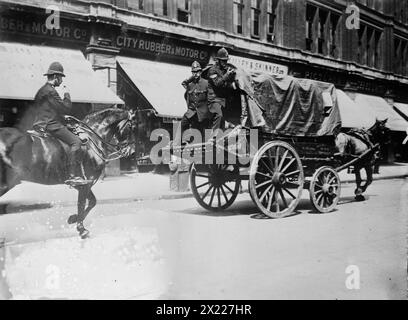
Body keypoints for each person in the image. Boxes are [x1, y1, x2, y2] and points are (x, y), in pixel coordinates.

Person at [32, 62, 87, 186]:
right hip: (50, 125)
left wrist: (62, 118)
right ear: (56, 77)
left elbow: (48, 109)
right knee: (76, 142)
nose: (61, 81)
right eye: (61, 78)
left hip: (42, 123)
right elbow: (66, 107)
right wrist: (66, 94)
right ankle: (73, 176)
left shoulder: (42, 90)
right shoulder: (51, 91)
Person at [174, 61, 210, 145]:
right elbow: (183, 83)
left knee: (200, 131)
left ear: (200, 72)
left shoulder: (206, 83)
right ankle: (181, 142)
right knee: (183, 123)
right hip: (192, 111)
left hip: (202, 112)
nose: (196, 74)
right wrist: (192, 77)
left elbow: (210, 98)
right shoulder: (190, 85)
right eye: (194, 72)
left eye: (197, 71)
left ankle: (200, 144)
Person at [207, 47, 237, 133]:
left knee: (224, 120)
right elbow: (217, 83)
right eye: (223, 61)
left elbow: (226, 85)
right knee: (219, 114)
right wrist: (227, 75)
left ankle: (221, 138)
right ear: (218, 60)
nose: (225, 63)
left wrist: (232, 82)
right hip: (213, 100)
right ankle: (214, 136)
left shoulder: (225, 70)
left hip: (222, 100)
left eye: (226, 61)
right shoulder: (212, 70)